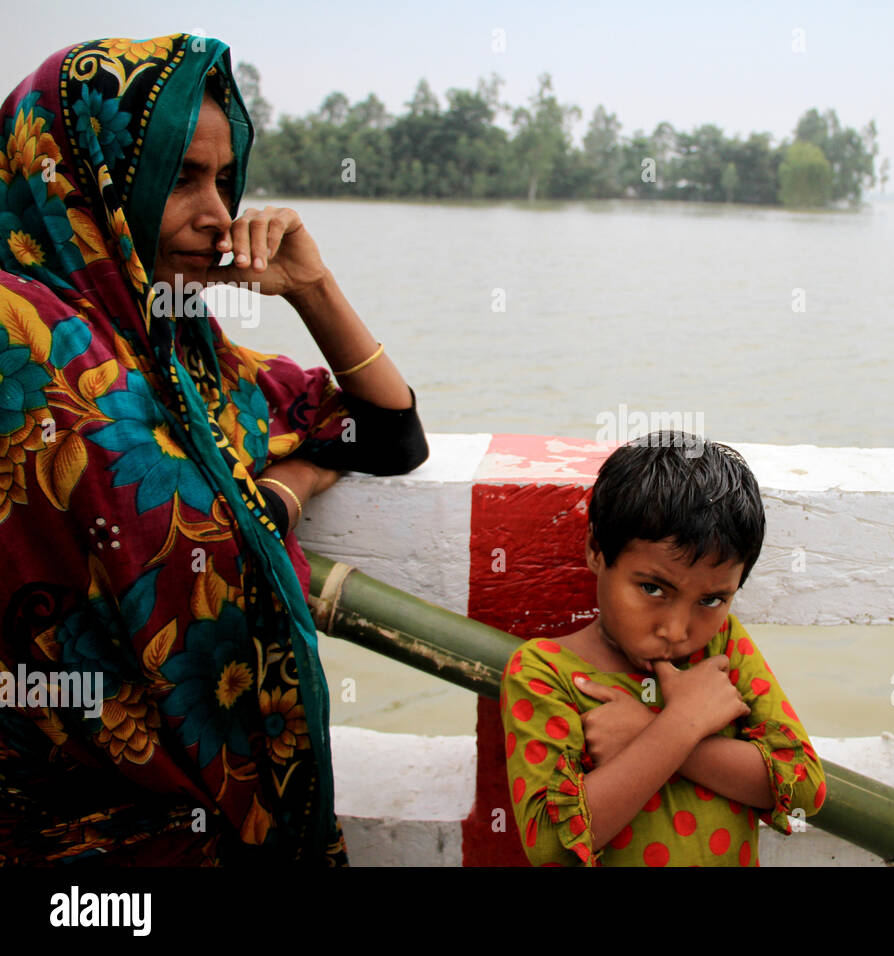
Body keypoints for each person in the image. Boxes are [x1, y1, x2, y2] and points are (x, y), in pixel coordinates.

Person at [0, 34, 427, 864]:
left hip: (214, 823)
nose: (217, 215)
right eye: (180, 177)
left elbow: (387, 432)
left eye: (226, 181)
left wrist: (310, 287)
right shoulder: (17, 330)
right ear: (77, 176)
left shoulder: (182, 352)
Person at [501, 432, 826, 865]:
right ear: (597, 550)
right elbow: (551, 846)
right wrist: (680, 726)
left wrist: (652, 731)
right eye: (653, 588)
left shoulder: (722, 645)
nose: (676, 631)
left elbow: (805, 788)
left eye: (711, 600)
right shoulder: (546, 672)